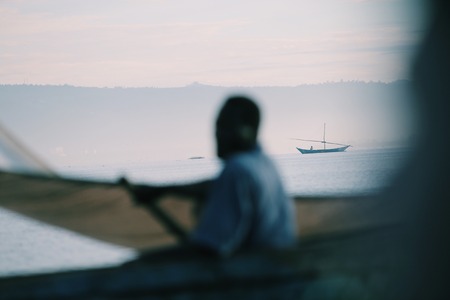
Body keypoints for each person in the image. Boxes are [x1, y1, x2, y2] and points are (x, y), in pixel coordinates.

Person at [124, 95, 296, 258]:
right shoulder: (265, 164)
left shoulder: (237, 170)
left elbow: (210, 249)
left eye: (223, 127)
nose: (216, 134)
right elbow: (216, 186)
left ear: (245, 131)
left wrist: (140, 261)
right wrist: (164, 190)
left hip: (254, 275)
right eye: (217, 126)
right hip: (275, 262)